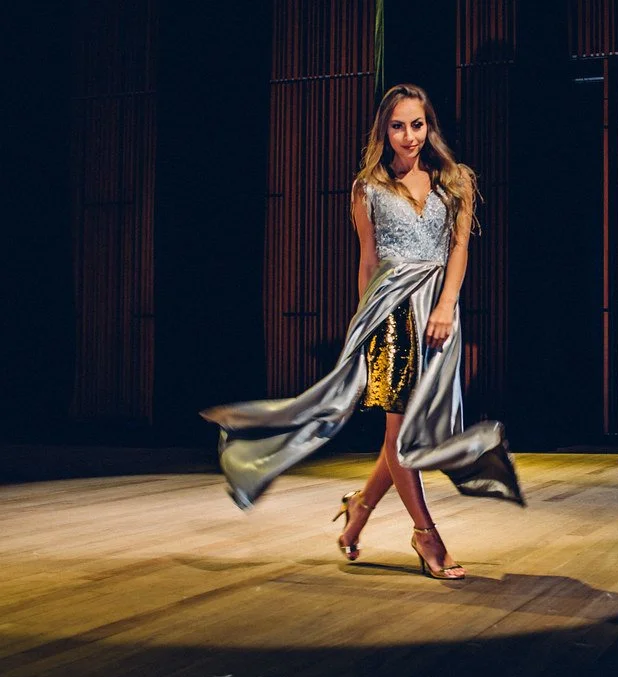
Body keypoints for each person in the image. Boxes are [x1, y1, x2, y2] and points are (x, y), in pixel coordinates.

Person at [200, 84, 523, 581]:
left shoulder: (455, 181)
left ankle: (359, 509)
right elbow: (368, 260)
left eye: (417, 124)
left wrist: (446, 305)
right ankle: (426, 536)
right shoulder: (367, 188)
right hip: (389, 313)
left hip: (439, 313)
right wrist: (364, 321)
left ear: (429, 126)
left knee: (410, 430)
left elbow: (459, 250)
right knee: (400, 430)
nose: (409, 136)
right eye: (398, 126)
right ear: (383, 130)